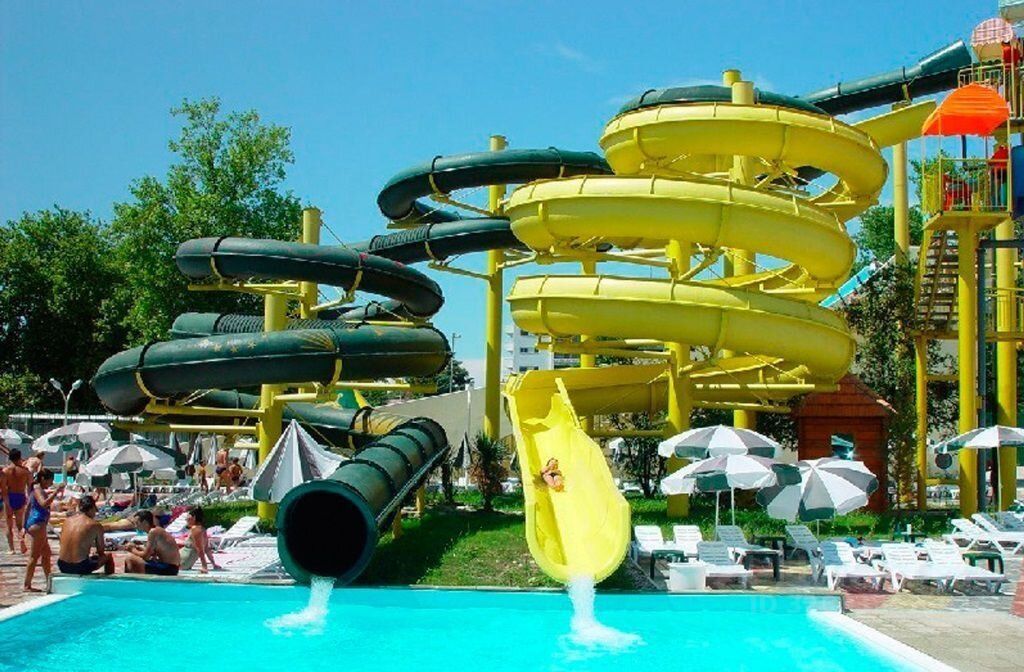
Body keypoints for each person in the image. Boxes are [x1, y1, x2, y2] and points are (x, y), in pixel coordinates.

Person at [23, 469, 63, 591]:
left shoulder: (35, 489)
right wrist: (56, 492)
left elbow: (28, 507)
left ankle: (49, 581)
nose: (51, 484)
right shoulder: (37, 489)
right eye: (50, 481)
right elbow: (43, 503)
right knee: (34, 556)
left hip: (36, 523)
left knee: (46, 554)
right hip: (38, 524)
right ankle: (27, 585)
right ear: (43, 479)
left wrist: (24, 526)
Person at [57, 495, 114, 576]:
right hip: (80, 567)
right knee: (108, 557)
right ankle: (109, 580)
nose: (95, 512)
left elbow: (62, 543)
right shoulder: (95, 525)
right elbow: (101, 552)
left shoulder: (67, 521)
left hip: (62, 565)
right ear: (91, 508)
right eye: (95, 509)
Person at [124, 510, 180, 576]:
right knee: (134, 558)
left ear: (145, 522)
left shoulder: (153, 532)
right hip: (172, 568)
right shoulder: (157, 530)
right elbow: (151, 553)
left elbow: (146, 556)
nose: (135, 526)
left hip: (168, 569)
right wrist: (137, 547)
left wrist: (132, 549)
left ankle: (132, 580)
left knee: (130, 558)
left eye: (137, 523)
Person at [3, 449, 32, 553]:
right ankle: (22, 544)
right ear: (19, 457)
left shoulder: (5, 471)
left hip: (10, 496)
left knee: (9, 525)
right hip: (20, 496)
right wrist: (29, 501)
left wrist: (6, 501)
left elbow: (3, 489)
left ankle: (11, 549)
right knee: (20, 524)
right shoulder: (25, 471)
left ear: (10, 458)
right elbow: (30, 488)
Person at [180, 506, 218, 573]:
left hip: (184, 560)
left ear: (194, 517)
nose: (186, 519)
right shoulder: (202, 529)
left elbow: (200, 549)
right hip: (186, 558)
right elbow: (206, 548)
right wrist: (213, 564)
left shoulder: (195, 529)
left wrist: (204, 566)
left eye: (187, 517)